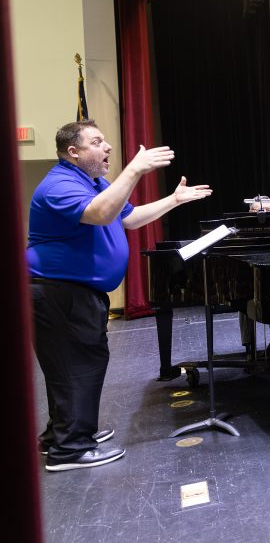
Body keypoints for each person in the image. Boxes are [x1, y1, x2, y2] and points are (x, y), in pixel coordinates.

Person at [28, 120, 212, 471]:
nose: (108, 146)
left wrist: (173, 200)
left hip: (71, 290)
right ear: (74, 152)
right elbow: (101, 213)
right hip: (58, 291)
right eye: (97, 142)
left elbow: (127, 218)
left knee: (72, 366)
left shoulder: (93, 182)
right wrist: (136, 169)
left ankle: (61, 435)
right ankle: (71, 449)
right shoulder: (60, 185)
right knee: (77, 368)